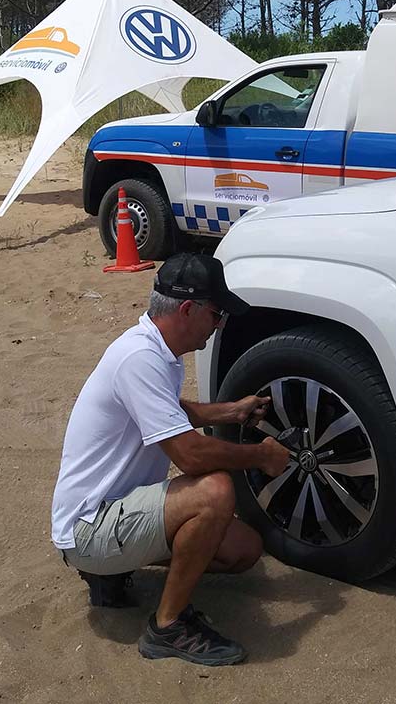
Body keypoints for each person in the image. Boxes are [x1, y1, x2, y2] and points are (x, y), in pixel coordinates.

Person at [50, 252, 291, 666]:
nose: (219, 325)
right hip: (89, 527)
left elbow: (168, 410)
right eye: (216, 314)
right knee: (214, 492)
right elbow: (191, 455)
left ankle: (113, 570)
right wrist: (261, 455)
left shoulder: (155, 350)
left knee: (243, 550)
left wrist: (229, 411)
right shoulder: (140, 359)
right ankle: (168, 626)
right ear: (186, 310)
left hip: (114, 509)